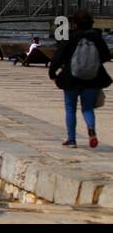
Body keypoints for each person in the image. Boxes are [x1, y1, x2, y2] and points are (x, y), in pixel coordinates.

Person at [48, 10, 111, 148]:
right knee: (88, 108)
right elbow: (106, 56)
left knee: (70, 108)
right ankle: (91, 130)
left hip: (71, 78)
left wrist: (53, 73)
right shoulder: (97, 37)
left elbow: (58, 58)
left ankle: (71, 140)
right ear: (91, 24)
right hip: (93, 78)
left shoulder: (70, 37)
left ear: (75, 24)